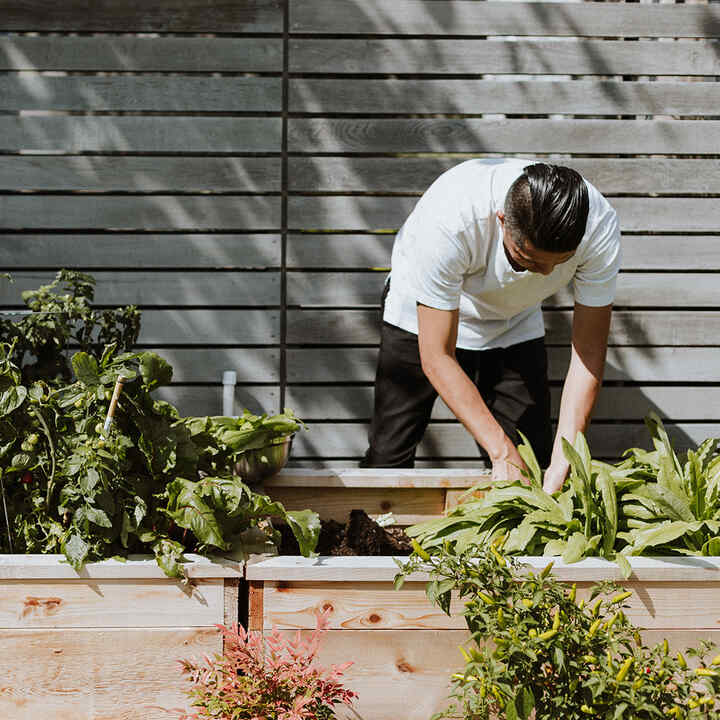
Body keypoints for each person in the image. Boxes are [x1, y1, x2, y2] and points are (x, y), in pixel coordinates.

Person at [359, 159, 621, 494]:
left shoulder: (598, 227)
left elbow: (588, 353)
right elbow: (437, 357)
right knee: (388, 457)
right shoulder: (450, 219)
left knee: (530, 462)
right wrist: (500, 451)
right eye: (527, 260)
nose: (544, 274)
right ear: (502, 221)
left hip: (514, 320)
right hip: (420, 317)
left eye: (559, 263)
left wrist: (565, 457)